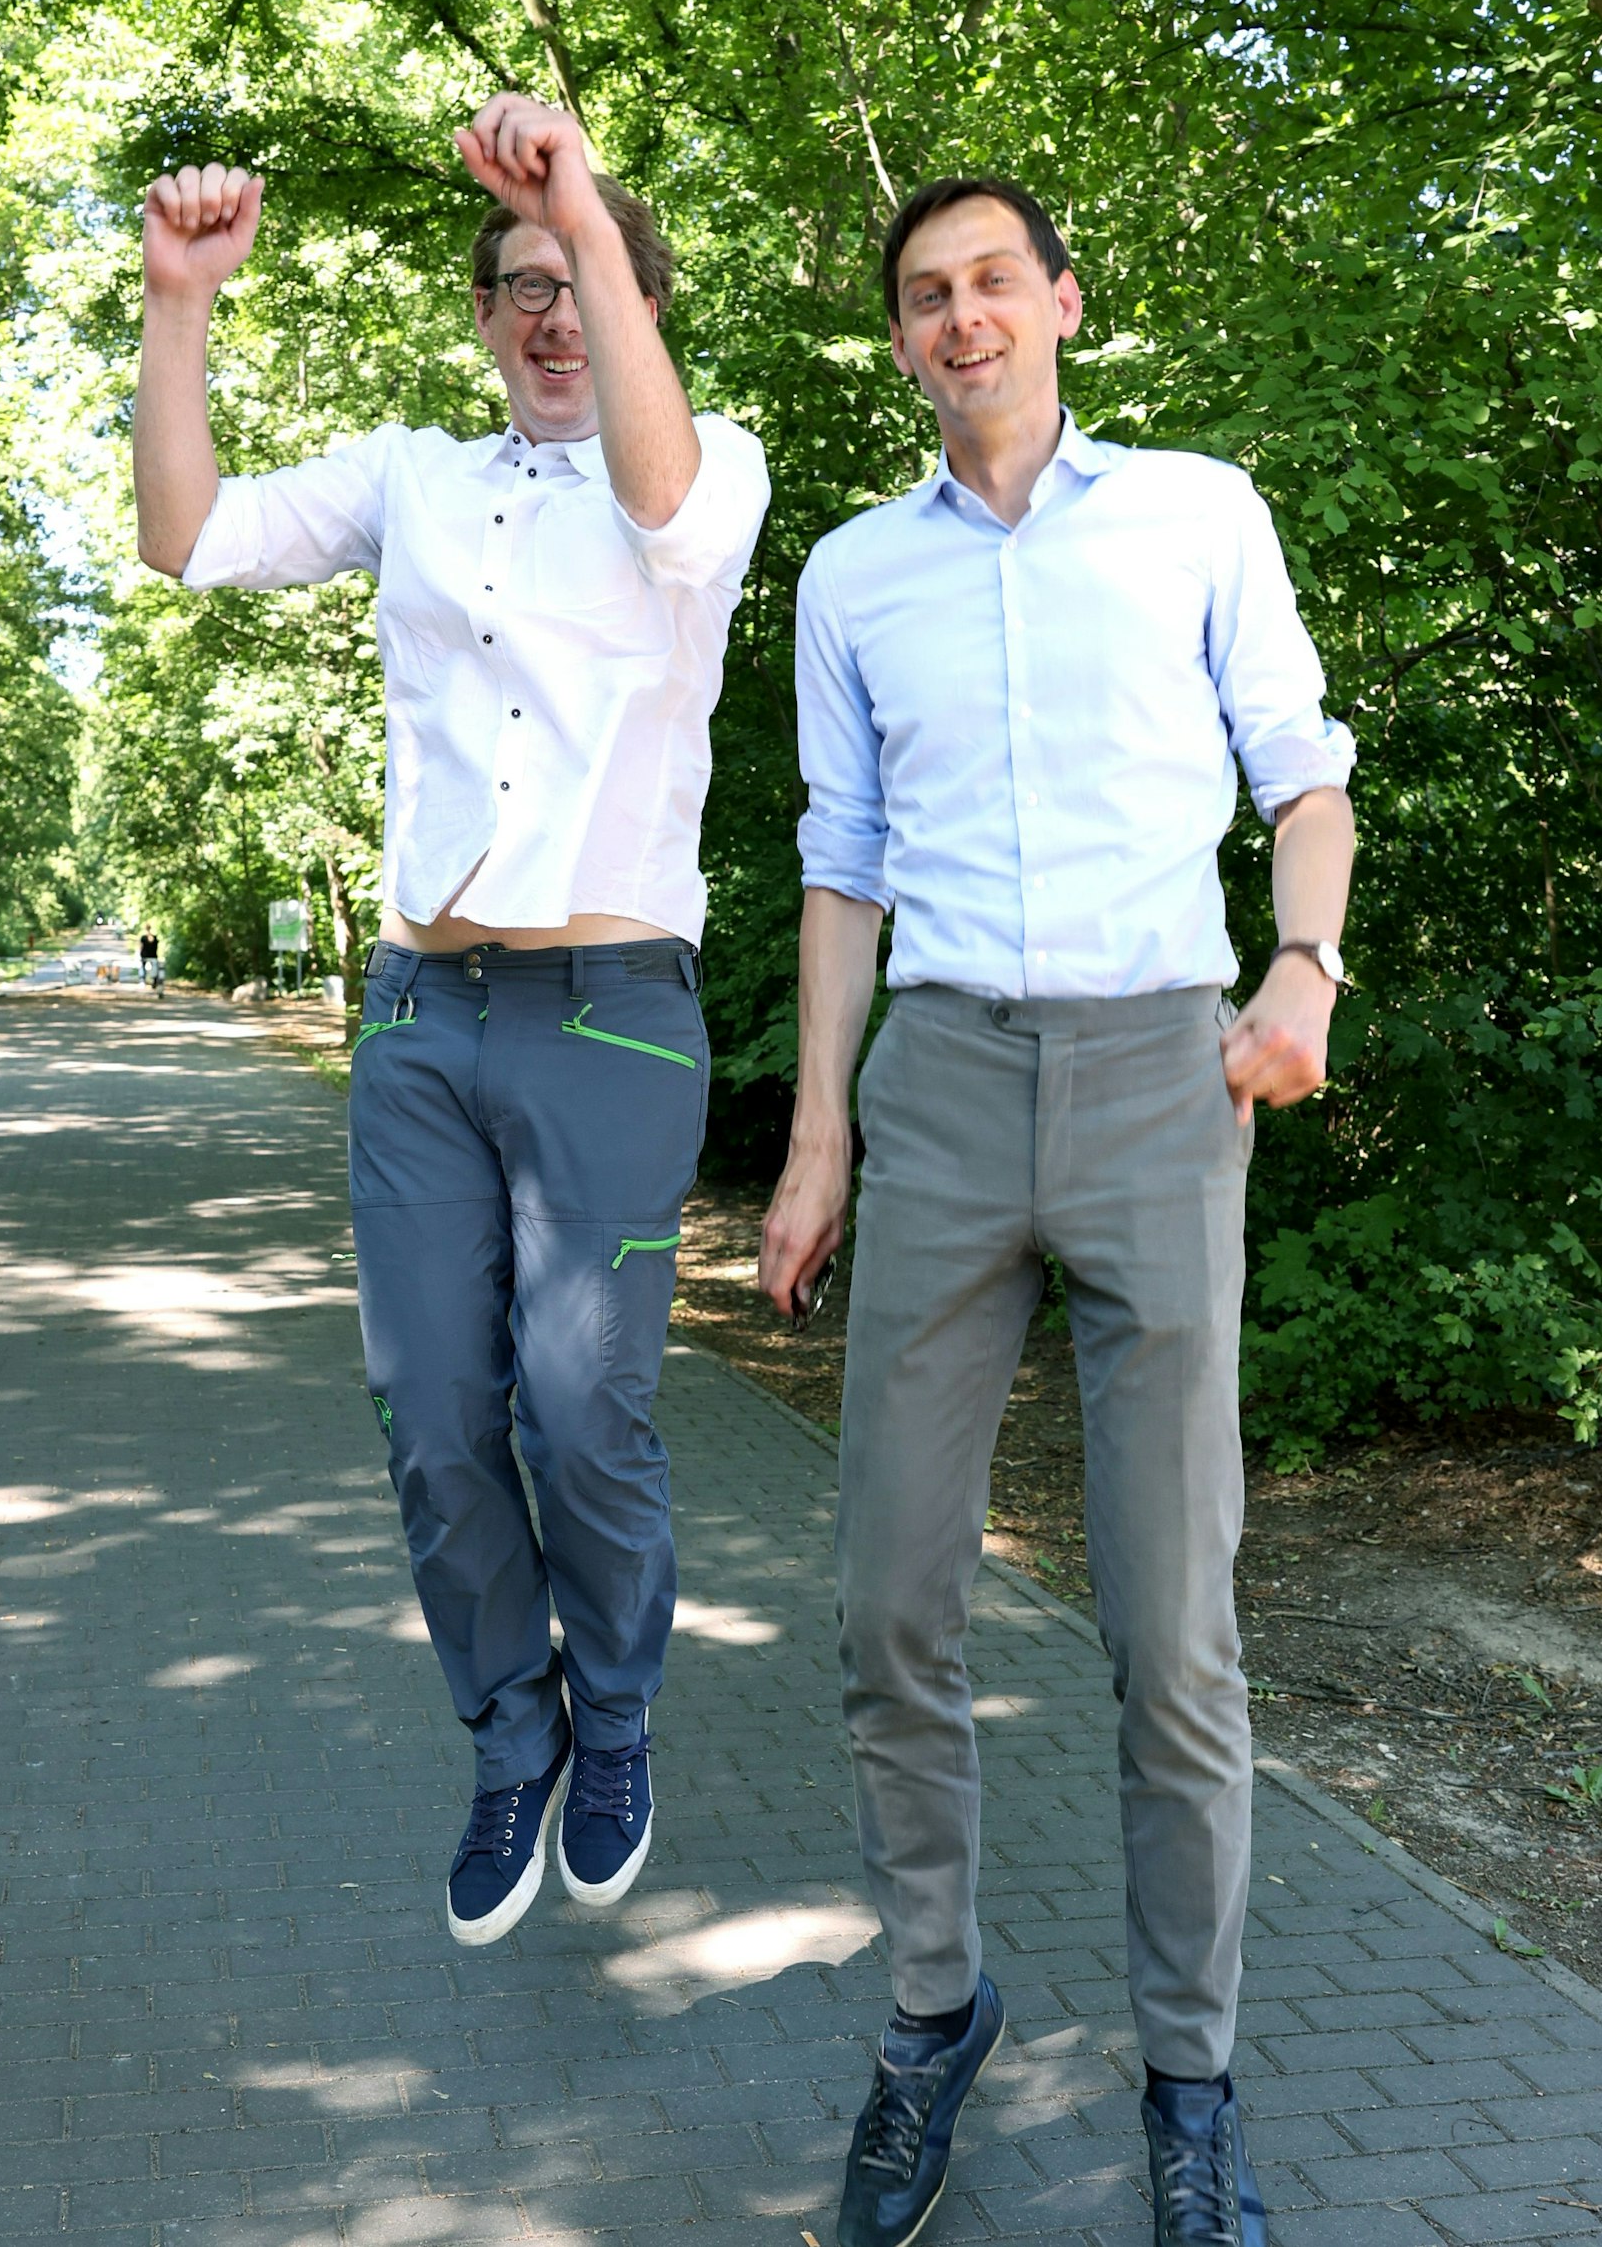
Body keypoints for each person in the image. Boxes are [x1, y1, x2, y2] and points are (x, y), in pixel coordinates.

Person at [759, 175, 1355, 2247]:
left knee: (1171, 1633)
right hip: (934, 1083)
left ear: (1059, 303)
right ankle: (936, 2007)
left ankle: (1189, 2082)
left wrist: (1300, 969)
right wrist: (817, 1131)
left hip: (1159, 1074)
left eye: (991, 278)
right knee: (886, 1600)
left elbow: (1302, 772)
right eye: (924, 295)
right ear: (905, 340)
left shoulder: (1196, 511)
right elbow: (840, 862)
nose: (960, 315)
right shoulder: (851, 575)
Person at [132, 96, 770, 1948]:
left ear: (638, 297)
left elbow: (653, 492)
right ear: (484, 320)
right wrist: (181, 302)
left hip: (613, 1014)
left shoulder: (705, 471)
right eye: (518, 286)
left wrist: (570, 185)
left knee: (581, 1406)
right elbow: (189, 535)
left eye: (583, 275)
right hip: (422, 1016)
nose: (550, 307)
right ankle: (513, 1728)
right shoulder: (413, 476)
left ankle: (622, 1717)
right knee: (429, 1411)